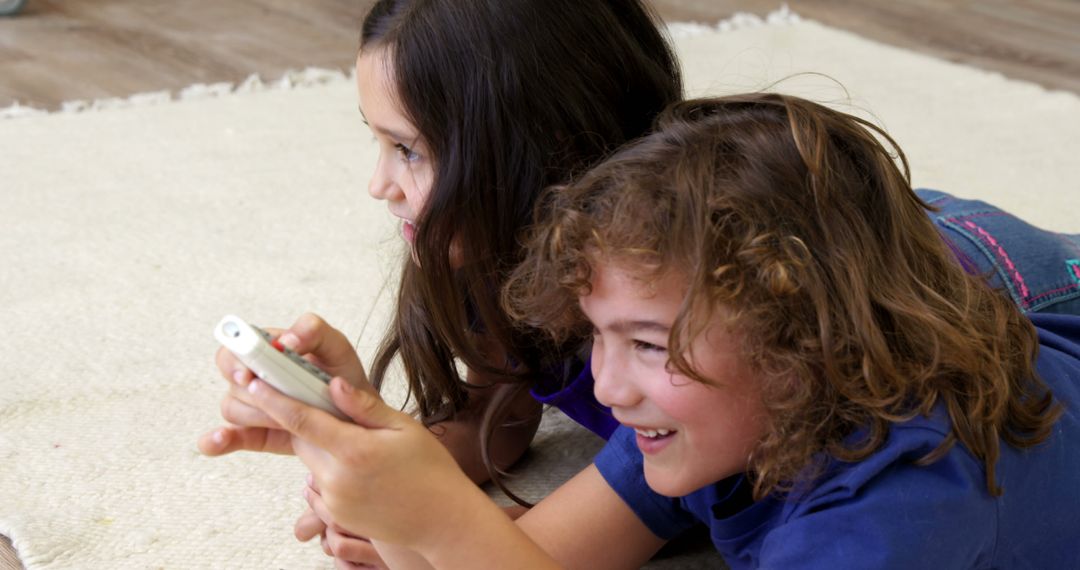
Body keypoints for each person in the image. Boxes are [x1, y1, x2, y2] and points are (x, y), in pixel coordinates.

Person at [199, 0, 1080, 565]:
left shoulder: (886, 496)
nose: (607, 386)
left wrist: (426, 520)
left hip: (1011, 281)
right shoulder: (699, 373)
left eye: (410, 147)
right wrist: (366, 450)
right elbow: (528, 543)